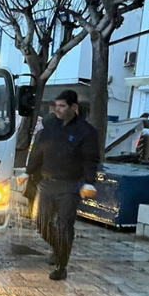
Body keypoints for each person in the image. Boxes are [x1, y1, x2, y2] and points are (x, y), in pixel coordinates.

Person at [20, 89, 99, 281]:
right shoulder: (50, 127)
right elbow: (38, 152)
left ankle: (61, 265)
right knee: (40, 222)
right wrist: (27, 172)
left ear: (74, 107)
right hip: (47, 183)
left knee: (64, 226)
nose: (58, 109)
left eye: (62, 106)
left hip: (70, 185)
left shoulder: (85, 131)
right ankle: (58, 247)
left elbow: (91, 159)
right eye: (56, 105)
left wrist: (89, 182)